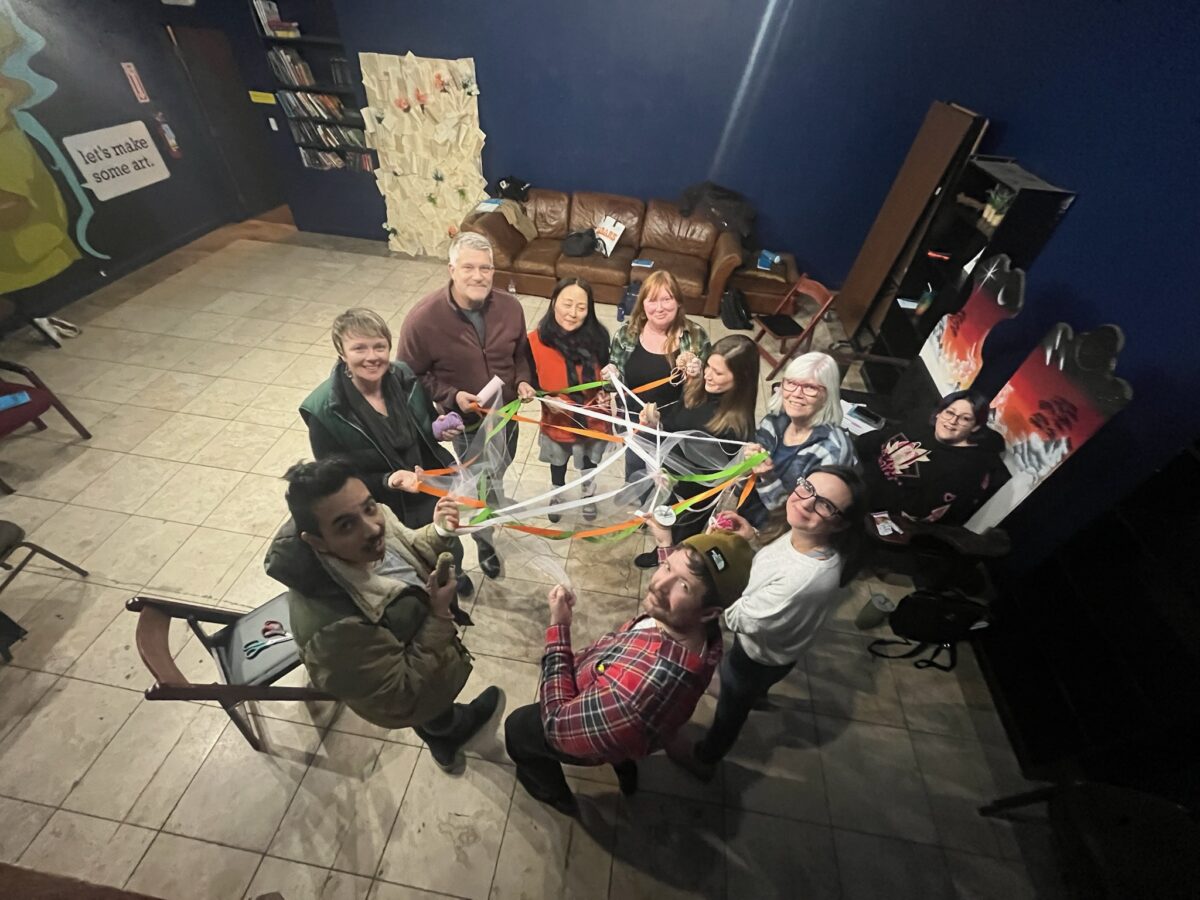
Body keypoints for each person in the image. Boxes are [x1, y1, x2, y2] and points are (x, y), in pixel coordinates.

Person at [266, 459, 500, 771]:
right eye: (346, 525)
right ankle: (448, 734)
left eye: (369, 506)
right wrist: (439, 615)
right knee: (433, 714)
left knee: (435, 713)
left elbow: (407, 549)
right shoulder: (332, 630)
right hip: (416, 687)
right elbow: (401, 696)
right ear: (316, 541)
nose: (373, 527)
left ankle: (441, 730)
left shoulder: (378, 523)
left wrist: (439, 531)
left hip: (423, 654)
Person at [503, 531, 753, 816]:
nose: (659, 584)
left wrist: (559, 628)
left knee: (518, 730)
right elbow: (683, 579)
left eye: (682, 585)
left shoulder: (633, 695)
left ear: (710, 612)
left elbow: (558, 728)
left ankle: (553, 793)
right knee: (618, 746)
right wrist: (665, 545)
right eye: (667, 566)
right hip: (617, 728)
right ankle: (624, 766)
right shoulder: (696, 629)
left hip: (589, 720)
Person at [664, 465, 867, 779]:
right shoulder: (804, 536)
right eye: (807, 487)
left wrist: (713, 586)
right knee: (748, 688)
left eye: (826, 505)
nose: (806, 502)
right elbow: (775, 564)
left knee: (731, 710)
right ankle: (754, 694)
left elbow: (740, 619)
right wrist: (750, 539)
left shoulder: (802, 578)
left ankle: (706, 758)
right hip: (781, 650)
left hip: (758, 656)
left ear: (841, 524)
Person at [301, 308, 474, 608]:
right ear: (341, 352)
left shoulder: (403, 376)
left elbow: (424, 426)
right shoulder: (324, 410)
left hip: (427, 489)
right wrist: (388, 480)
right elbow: (335, 482)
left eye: (379, 346)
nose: (372, 357)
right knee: (406, 566)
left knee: (445, 538)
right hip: (380, 508)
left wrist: (438, 432)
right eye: (359, 348)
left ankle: (452, 573)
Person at [396, 231, 536, 579]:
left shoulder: (511, 307)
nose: (478, 276)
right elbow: (408, 376)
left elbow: (521, 354)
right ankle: (485, 543)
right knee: (479, 483)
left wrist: (522, 380)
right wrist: (451, 396)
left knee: (496, 472)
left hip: (506, 418)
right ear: (451, 269)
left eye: (486, 268)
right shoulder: (423, 319)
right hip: (463, 426)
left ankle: (493, 499)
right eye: (469, 267)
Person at [633, 334, 759, 567]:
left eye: (718, 373)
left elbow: (716, 473)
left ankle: (668, 560)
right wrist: (657, 422)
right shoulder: (699, 388)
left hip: (694, 496)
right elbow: (677, 423)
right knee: (662, 514)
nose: (708, 375)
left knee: (682, 535)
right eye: (709, 365)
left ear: (741, 378)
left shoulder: (735, 427)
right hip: (669, 477)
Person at [601, 270, 711, 482]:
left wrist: (698, 377)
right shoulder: (626, 334)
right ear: (642, 305)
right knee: (635, 470)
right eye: (652, 300)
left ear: (678, 302)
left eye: (667, 299)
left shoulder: (696, 336)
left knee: (670, 478)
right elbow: (613, 388)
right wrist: (612, 376)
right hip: (635, 423)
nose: (659, 308)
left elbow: (709, 393)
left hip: (676, 428)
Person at [525, 277, 612, 523]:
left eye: (581, 307)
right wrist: (545, 397)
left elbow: (606, 374)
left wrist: (606, 391)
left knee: (589, 461)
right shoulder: (534, 341)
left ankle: (587, 492)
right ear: (554, 303)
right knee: (558, 460)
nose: (573, 313)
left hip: (592, 418)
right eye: (567, 304)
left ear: (589, 310)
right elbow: (529, 379)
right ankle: (558, 493)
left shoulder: (600, 337)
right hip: (558, 419)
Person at [855, 389, 1009, 526]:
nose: (952, 421)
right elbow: (871, 441)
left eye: (965, 418)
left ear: (975, 427)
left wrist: (864, 485)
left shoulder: (964, 469)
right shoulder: (922, 426)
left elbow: (916, 511)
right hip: (857, 473)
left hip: (871, 507)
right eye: (950, 412)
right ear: (940, 412)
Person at [741, 351, 858, 527]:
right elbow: (749, 476)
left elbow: (807, 518)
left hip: (779, 533)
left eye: (810, 387)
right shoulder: (775, 421)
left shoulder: (833, 451)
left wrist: (768, 478)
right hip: (747, 512)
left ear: (827, 395)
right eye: (791, 383)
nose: (796, 393)